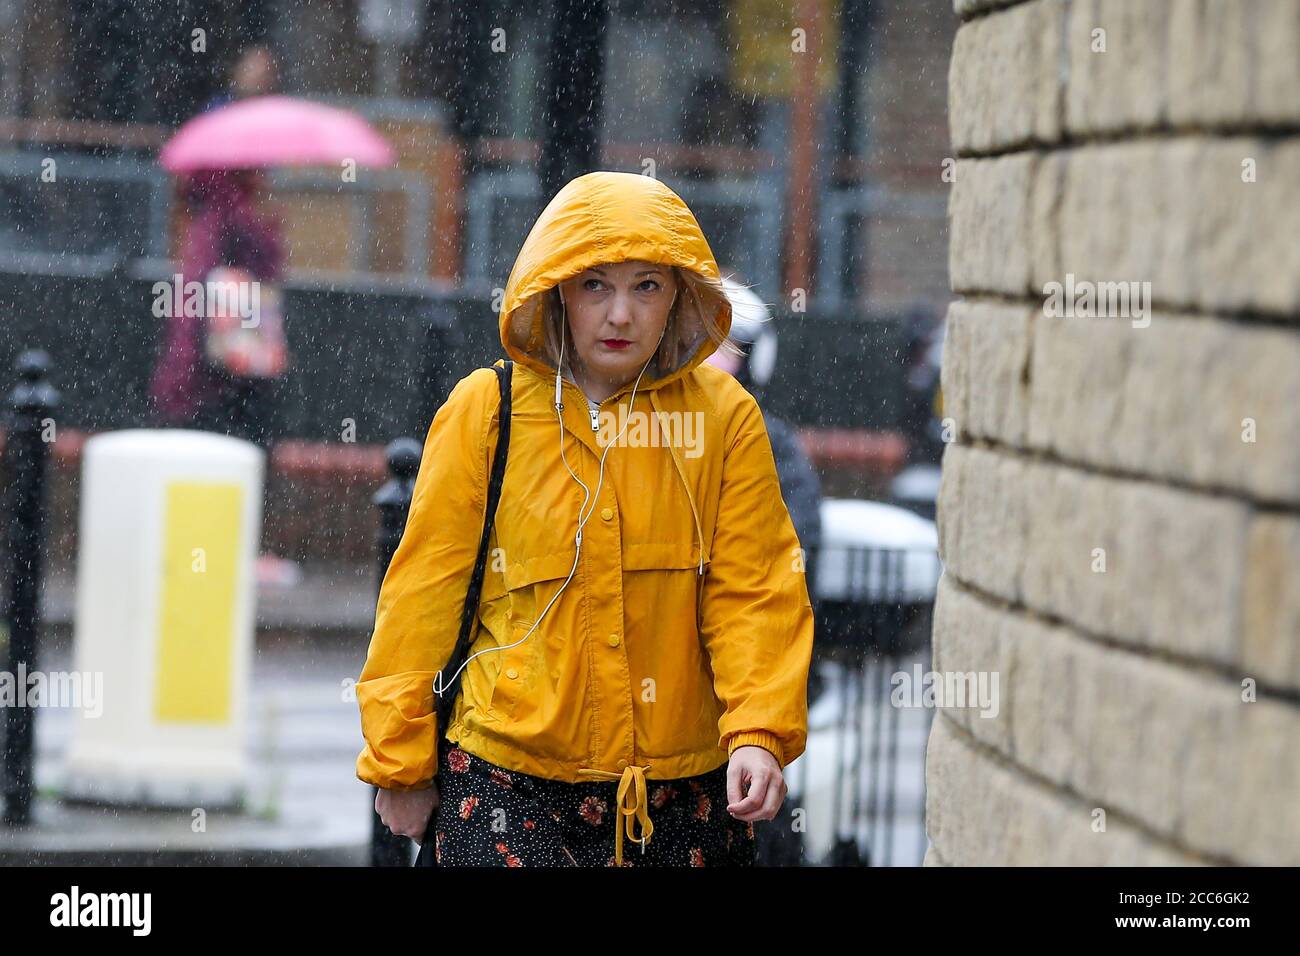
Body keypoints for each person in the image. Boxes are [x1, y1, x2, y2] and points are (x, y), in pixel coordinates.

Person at [356, 170, 815, 867]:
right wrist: (401, 761)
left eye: (647, 286)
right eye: (595, 284)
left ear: (678, 295)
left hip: (682, 797)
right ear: (558, 290)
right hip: (506, 784)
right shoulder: (487, 410)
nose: (621, 314)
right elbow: (423, 594)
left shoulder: (724, 421)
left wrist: (758, 732)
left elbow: (755, 590)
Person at [703, 276, 824, 867]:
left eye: (729, 347)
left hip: (737, 707)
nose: (713, 360)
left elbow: (781, 574)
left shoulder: (771, 445)